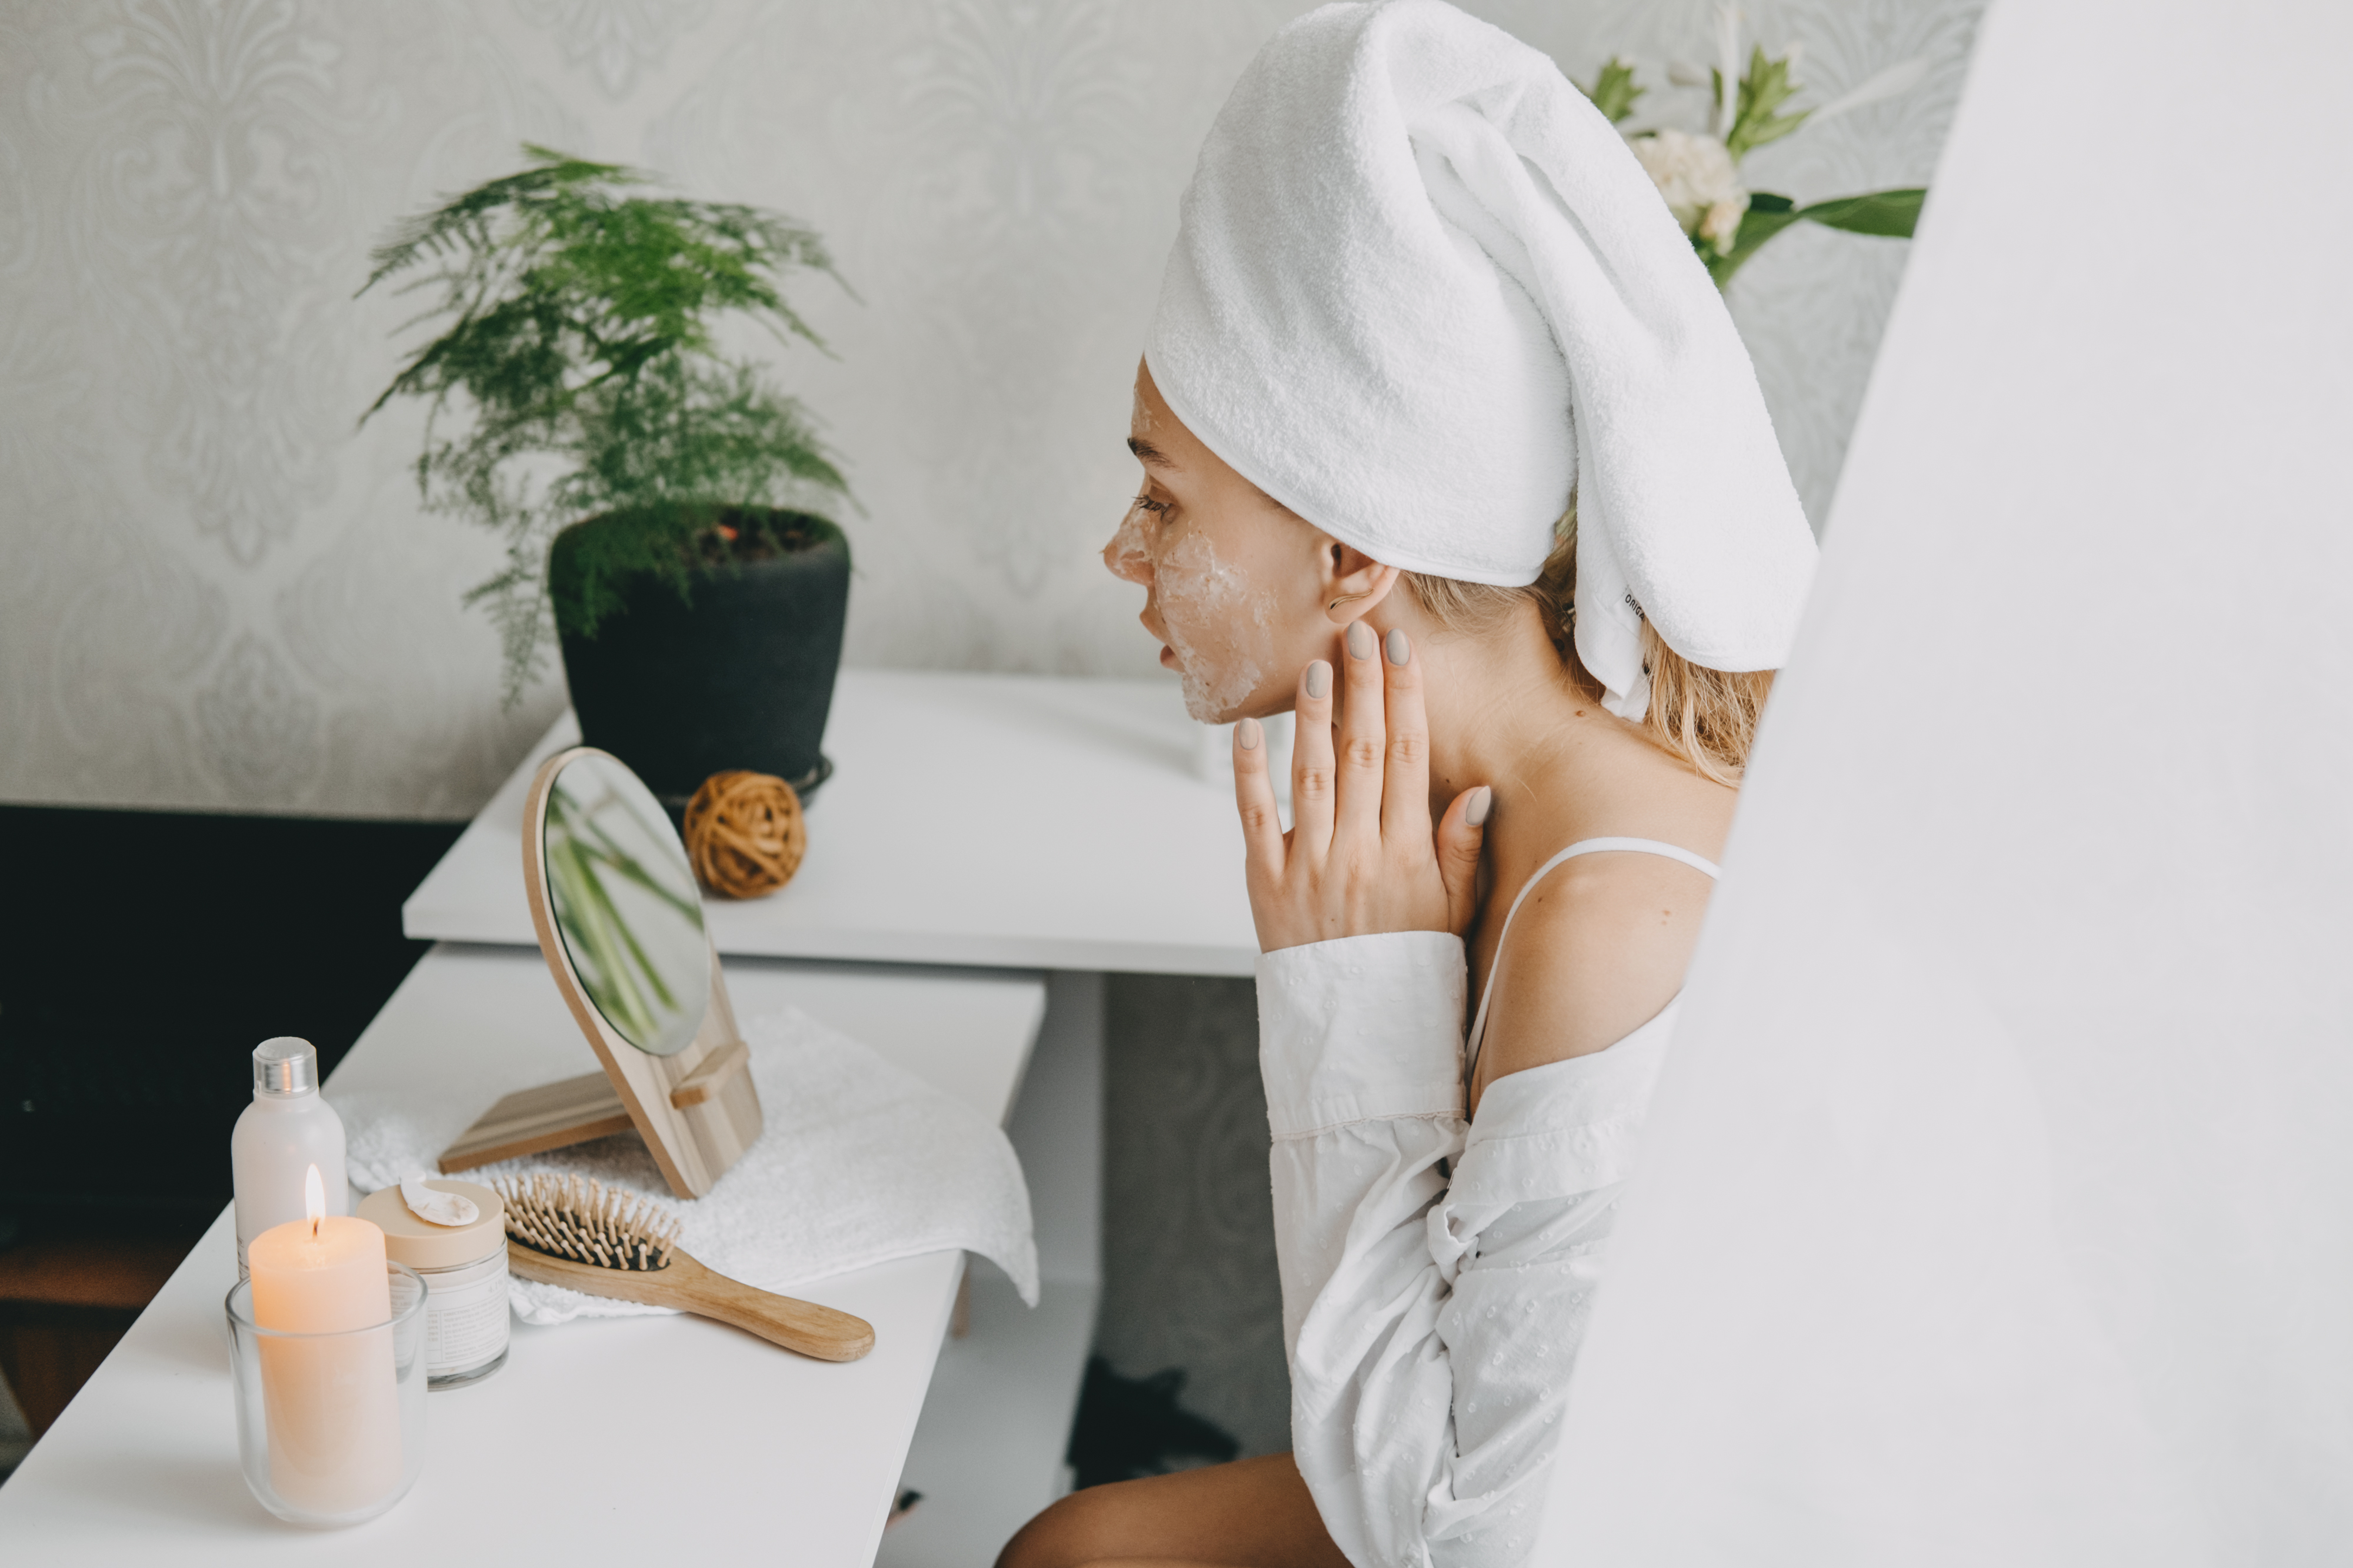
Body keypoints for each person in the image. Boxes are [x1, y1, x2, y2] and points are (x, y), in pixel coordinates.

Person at [1002, 4, 1816, 1565]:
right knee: (1078, 1546)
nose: (1124, 551)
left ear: (1355, 549)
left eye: (1163, 497)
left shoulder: (1612, 917)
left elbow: (1471, 1546)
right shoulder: (1513, 784)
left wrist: (1352, 1009)